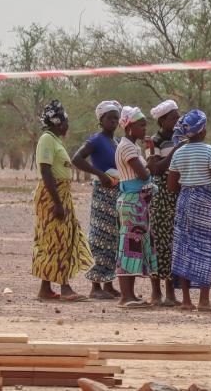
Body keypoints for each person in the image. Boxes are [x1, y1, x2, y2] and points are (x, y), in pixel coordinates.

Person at [32, 100, 93, 302]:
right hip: (53, 195)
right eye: (66, 121)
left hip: (62, 194)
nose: (68, 125)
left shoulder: (55, 140)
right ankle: (65, 287)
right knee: (58, 238)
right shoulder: (47, 140)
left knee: (56, 238)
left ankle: (46, 289)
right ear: (59, 123)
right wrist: (57, 203)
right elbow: (45, 170)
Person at [167, 109, 211, 311]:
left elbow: (172, 186)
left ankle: (185, 300)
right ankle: (204, 300)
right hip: (204, 202)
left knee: (184, 248)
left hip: (184, 201)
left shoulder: (179, 152)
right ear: (202, 131)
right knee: (206, 248)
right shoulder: (210, 151)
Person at [71, 100, 123, 300]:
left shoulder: (116, 142)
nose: (113, 122)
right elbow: (77, 159)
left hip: (117, 193)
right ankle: (95, 285)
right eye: (109, 118)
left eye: (116, 118)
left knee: (115, 238)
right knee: (100, 237)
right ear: (101, 120)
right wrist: (99, 174)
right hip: (103, 193)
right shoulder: (96, 140)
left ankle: (108, 284)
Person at [115, 106, 157, 308]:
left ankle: (129, 295)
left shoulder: (129, 145)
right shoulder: (128, 148)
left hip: (135, 201)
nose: (144, 129)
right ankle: (126, 296)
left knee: (133, 246)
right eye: (141, 125)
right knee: (129, 247)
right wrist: (151, 158)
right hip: (133, 202)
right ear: (129, 127)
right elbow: (143, 174)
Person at [147, 99, 182, 306]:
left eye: (178, 117)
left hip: (176, 194)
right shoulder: (155, 141)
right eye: (173, 118)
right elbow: (155, 169)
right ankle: (155, 292)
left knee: (173, 244)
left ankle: (171, 293)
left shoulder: (180, 139)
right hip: (160, 196)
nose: (177, 121)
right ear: (162, 121)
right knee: (157, 243)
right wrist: (177, 151)